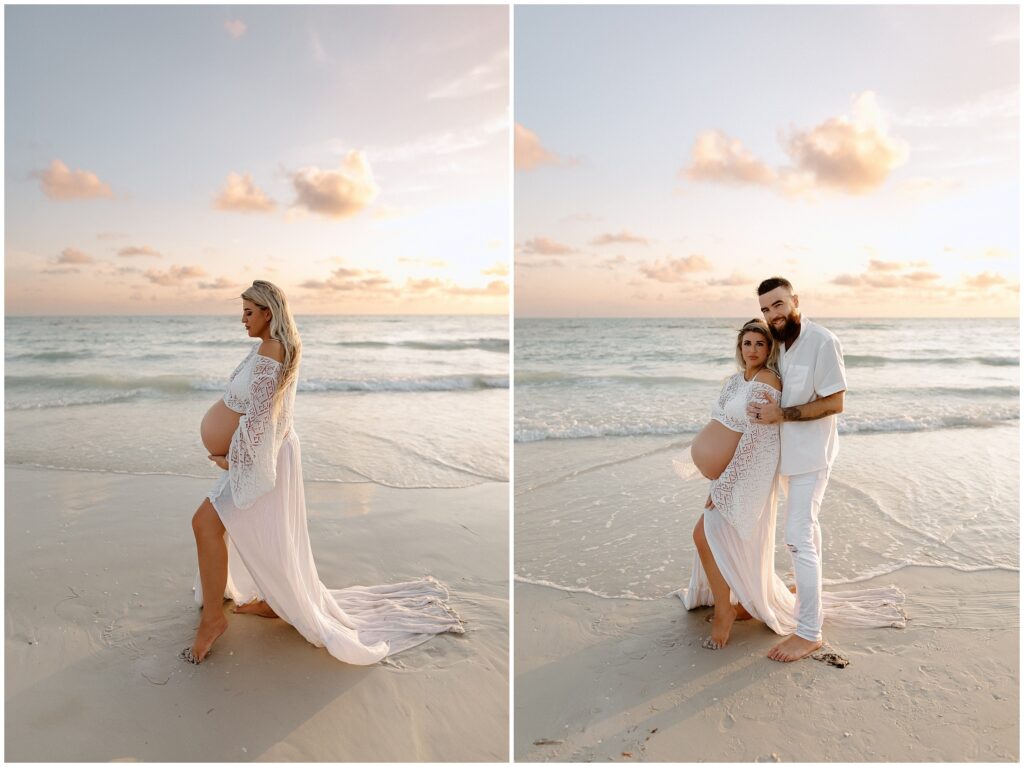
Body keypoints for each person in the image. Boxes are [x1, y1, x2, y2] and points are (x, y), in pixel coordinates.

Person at [185, 280, 463, 664]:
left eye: (249, 313)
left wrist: (233, 460)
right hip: (268, 453)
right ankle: (272, 600)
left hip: (261, 455)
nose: (242, 320)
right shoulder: (271, 347)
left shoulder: (271, 349)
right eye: (242, 312)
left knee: (206, 524)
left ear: (269, 312)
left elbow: (263, 419)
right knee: (265, 530)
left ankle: (214, 620)